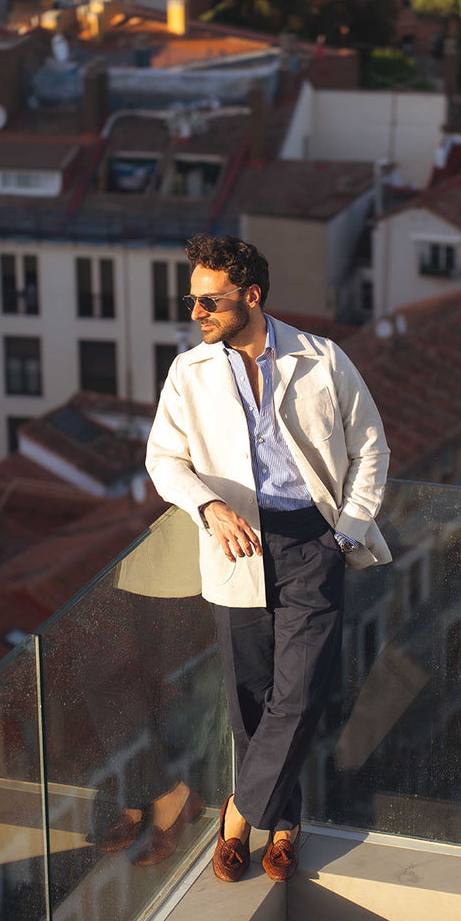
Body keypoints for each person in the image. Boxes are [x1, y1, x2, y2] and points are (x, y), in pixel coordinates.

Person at [146, 234, 390, 882]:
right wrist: (207, 507)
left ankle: (236, 816)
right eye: (192, 300)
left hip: (315, 541)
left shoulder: (323, 360)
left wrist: (347, 530)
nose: (196, 313)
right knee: (250, 700)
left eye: (209, 301)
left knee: (301, 694)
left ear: (251, 297)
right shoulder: (189, 373)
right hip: (235, 546)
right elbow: (163, 459)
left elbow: (371, 447)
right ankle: (284, 822)